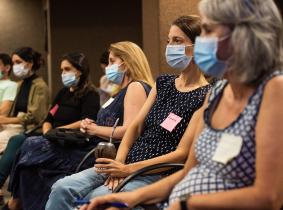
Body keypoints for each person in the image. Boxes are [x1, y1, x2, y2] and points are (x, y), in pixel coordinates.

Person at [81, 0, 283, 210]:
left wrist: (186, 203)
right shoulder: (217, 93)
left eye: (207, 29)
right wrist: (130, 198)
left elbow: (269, 197)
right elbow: (188, 172)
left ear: (243, 35)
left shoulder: (274, 89)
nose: (201, 41)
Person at [46, 15, 211, 210]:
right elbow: (134, 127)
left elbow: (182, 153)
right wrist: (119, 163)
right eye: (168, 41)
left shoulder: (206, 94)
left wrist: (128, 169)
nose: (170, 47)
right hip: (126, 161)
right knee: (61, 188)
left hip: (155, 171)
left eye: (178, 41)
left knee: (96, 198)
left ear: (199, 46)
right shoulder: (163, 83)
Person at [3, 42, 154, 210]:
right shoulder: (119, 91)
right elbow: (112, 124)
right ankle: (17, 203)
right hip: (97, 147)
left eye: (112, 61)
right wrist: (93, 125)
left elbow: (129, 131)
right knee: (29, 158)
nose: (108, 66)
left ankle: (14, 203)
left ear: (125, 63)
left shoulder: (135, 87)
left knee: (31, 146)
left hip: (108, 154)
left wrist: (94, 129)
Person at [0, 47, 49, 198]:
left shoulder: (40, 86)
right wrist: (2, 119)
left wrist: (7, 119)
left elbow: (36, 117)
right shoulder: (19, 85)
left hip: (26, 127)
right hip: (10, 123)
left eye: (18, 62)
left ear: (30, 63)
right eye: (13, 62)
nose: (15, 66)